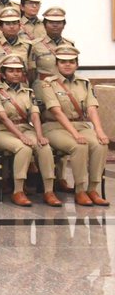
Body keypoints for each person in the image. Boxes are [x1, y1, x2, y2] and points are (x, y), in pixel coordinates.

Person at [35, 45, 110, 206]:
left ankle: (93, 189)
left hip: (81, 125)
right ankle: (80, 190)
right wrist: (75, 134)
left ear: (77, 64)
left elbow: (91, 108)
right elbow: (56, 111)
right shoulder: (48, 83)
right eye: (62, 62)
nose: (67, 65)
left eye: (71, 61)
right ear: (57, 65)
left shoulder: (84, 83)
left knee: (100, 144)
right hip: (55, 127)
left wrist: (99, 131)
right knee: (79, 146)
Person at [0, 54, 59, 207]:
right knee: (23, 148)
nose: (15, 74)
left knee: (44, 147)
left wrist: (39, 136)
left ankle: (49, 190)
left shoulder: (28, 92)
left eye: (19, 71)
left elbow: (34, 116)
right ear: (4, 73)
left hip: (25, 128)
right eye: (11, 71)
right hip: (1, 131)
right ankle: (18, 191)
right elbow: (3, 117)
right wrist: (20, 136)